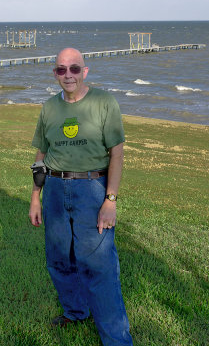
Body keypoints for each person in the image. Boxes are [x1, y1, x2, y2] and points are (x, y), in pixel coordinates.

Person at [29, 48, 133, 346]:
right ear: (55, 74)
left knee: (99, 265)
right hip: (55, 191)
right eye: (61, 70)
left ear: (85, 71)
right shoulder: (49, 108)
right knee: (60, 259)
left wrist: (110, 200)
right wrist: (36, 196)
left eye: (74, 69)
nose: (68, 75)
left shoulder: (104, 102)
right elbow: (41, 154)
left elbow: (117, 153)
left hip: (92, 189)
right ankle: (75, 312)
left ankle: (117, 340)